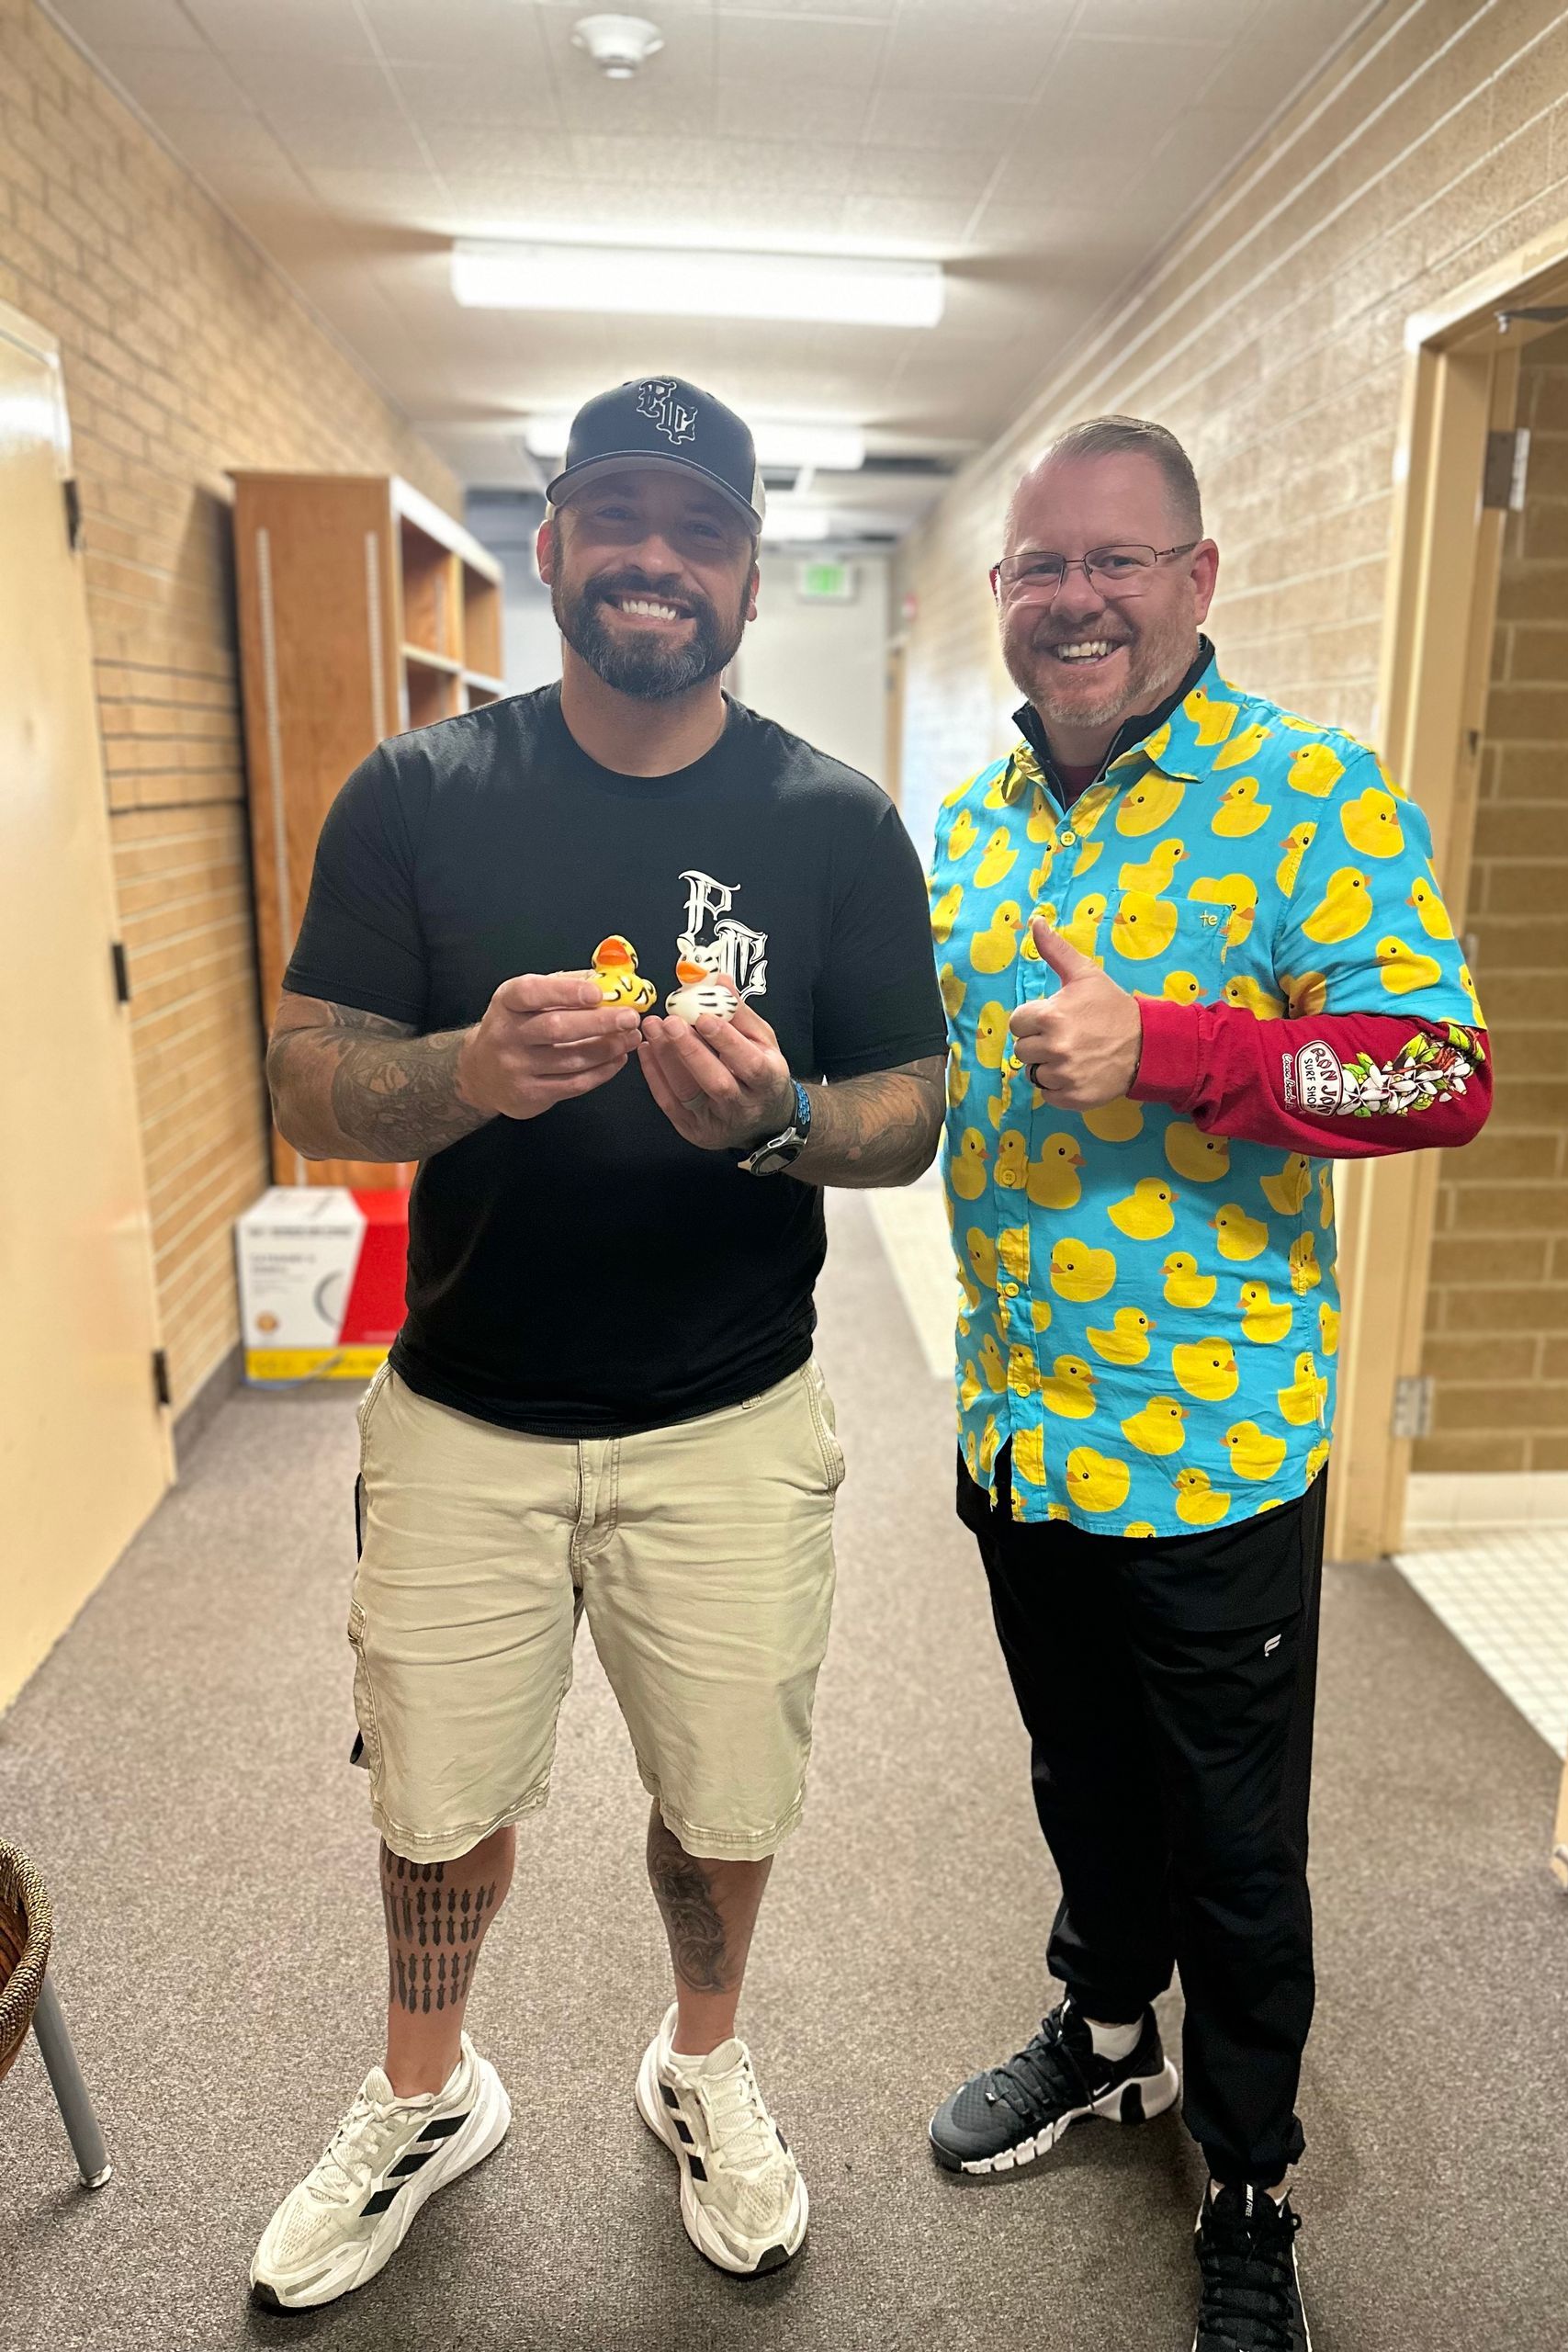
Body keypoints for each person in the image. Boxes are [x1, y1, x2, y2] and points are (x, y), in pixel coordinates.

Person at [249, 377, 947, 2312]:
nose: (657, 559)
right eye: (616, 518)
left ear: (744, 567)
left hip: (730, 1412)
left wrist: (782, 1117)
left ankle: (699, 2056)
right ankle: (427, 2086)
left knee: (727, 1795)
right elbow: (309, 1074)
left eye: (698, 528)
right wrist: (463, 1074)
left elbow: (916, 1101)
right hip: (466, 1407)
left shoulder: (831, 821)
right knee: (437, 1796)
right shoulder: (416, 794)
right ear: (550, 543)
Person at [924, 415, 1490, 2351]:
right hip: (1019, 1423)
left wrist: (1173, 1045)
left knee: (1236, 1847)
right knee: (1081, 1777)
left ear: (1198, 580)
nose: (1073, 599)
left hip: (1210, 1448)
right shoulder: (976, 814)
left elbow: (1438, 1075)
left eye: (1115, 560)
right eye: (1037, 567)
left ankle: (1247, 2179)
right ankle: (1101, 2032)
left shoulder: (1309, 798)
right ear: (999, 595)